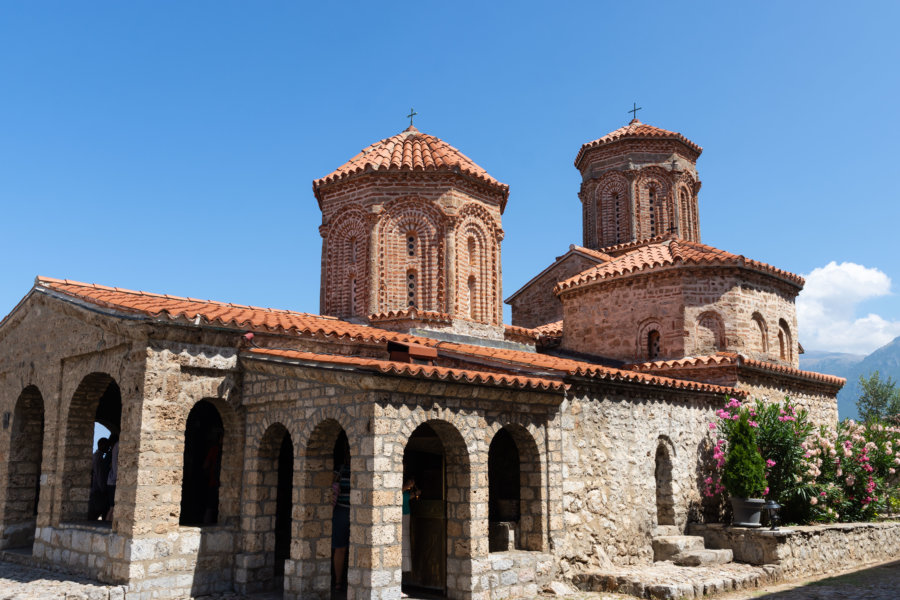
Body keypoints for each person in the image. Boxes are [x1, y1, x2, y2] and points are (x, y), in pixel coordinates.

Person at [331, 447, 351, 592]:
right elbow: (330, 482)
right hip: (342, 511)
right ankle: (338, 581)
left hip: (357, 512)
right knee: (340, 548)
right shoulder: (341, 469)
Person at [88, 437, 110, 520]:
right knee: (96, 512)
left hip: (97, 489)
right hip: (98, 490)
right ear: (102, 445)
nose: (108, 448)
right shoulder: (98, 457)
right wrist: (103, 488)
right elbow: (99, 474)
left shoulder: (97, 456)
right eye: (107, 446)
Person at [401, 478, 419, 578]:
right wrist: (405, 487)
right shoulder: (401, 486)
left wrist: (416, 493)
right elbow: (395, 494)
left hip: (406, 515)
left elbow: (406, 497)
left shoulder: (405, 489)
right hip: (400, 516)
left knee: (405, 544)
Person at [105, 434, 119, 521]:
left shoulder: (114, 448)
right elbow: (115, 465)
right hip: (113, 481)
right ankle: (107, 523)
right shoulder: (117, 446)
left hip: (111, 481)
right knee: (113, 507)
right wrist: (116, 477)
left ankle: (107, 522)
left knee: (112, 507)